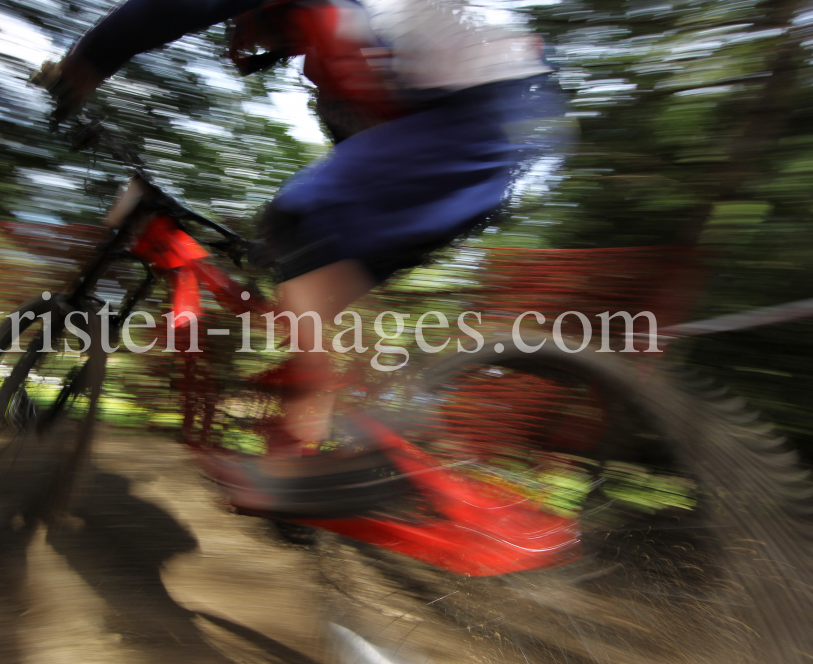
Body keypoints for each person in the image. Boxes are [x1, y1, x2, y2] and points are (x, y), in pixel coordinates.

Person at [39, 0, 552, 516]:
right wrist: (284, 249)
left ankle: (295, 472)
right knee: (308, 300)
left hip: (482, 114)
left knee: (297, 222)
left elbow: (165, 10)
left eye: (243, 25)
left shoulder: (331, 14)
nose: (243, 38)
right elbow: (365, 166)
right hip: (493, 142)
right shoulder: (335, 65)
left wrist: (82, 65)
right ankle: (301, 470)